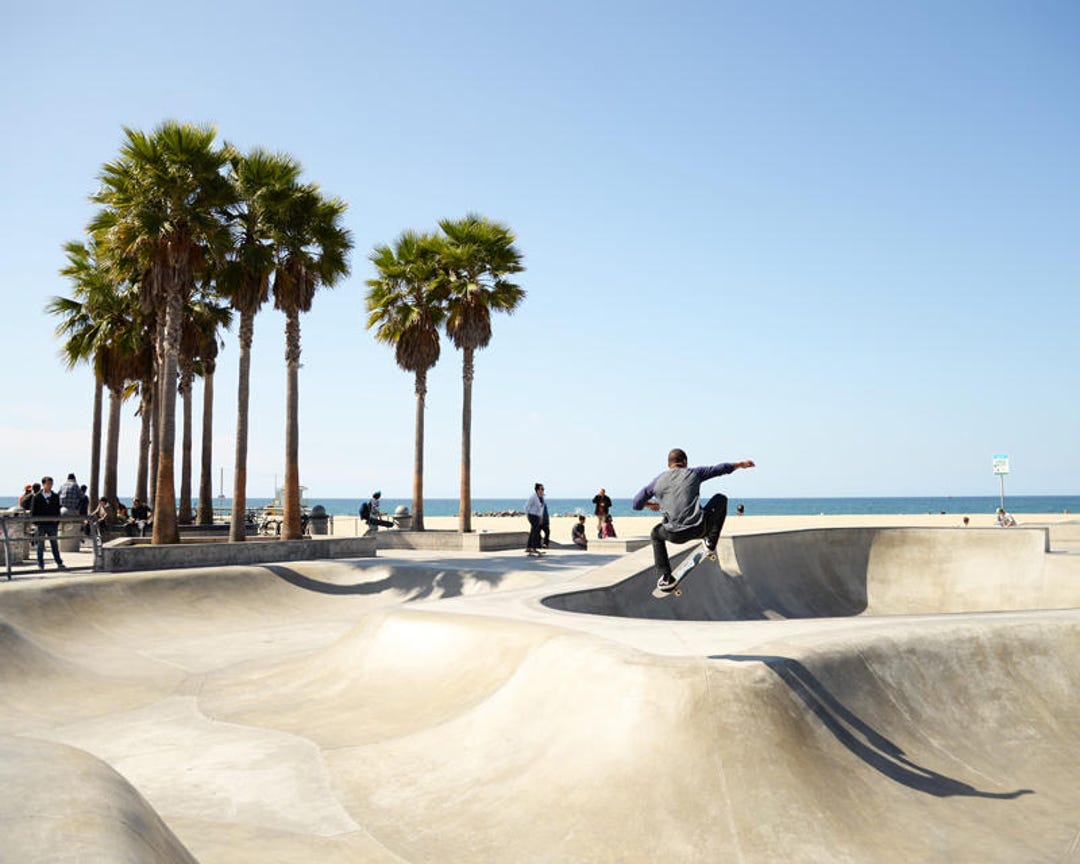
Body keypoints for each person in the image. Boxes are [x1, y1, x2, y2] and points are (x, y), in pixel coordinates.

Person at [632, 448, 755, 591]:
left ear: (668, 464)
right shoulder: (694, 473)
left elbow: (636, 503)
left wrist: (649, 505)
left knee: (655, 534)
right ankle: (711, 542)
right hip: (699, 529)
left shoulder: (657, 481)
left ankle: (665, 577)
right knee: (721, 499)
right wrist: (741, 464)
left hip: (673, 535)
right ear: (685, 462)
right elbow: (720, 469)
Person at [30, 476, 66, 571]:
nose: (50, 486)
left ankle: (59, 562)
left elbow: (57, 509)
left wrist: (56, 521)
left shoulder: (55, 496)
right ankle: (40, 563)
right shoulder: (37, 497)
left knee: (54, 544)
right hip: (41, 524)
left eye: (51, 484)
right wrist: (36, 522)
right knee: (40, 545)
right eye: (48, 484)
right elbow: (33, 511)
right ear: (43, 484)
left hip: (52, 524)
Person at [524, 483, 546, 556]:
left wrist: (541, 517)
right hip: (532, 515)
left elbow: (541, 508)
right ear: (537, 490)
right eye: (541, 489)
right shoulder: (533, 497)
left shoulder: (542, 497)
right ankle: (533, 548)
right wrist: (527, 516)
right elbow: (526, 506)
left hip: (537, 516)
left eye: (543, 489)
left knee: (533, 531)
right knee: (535, 532)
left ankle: (529, 547)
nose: (542, 490)